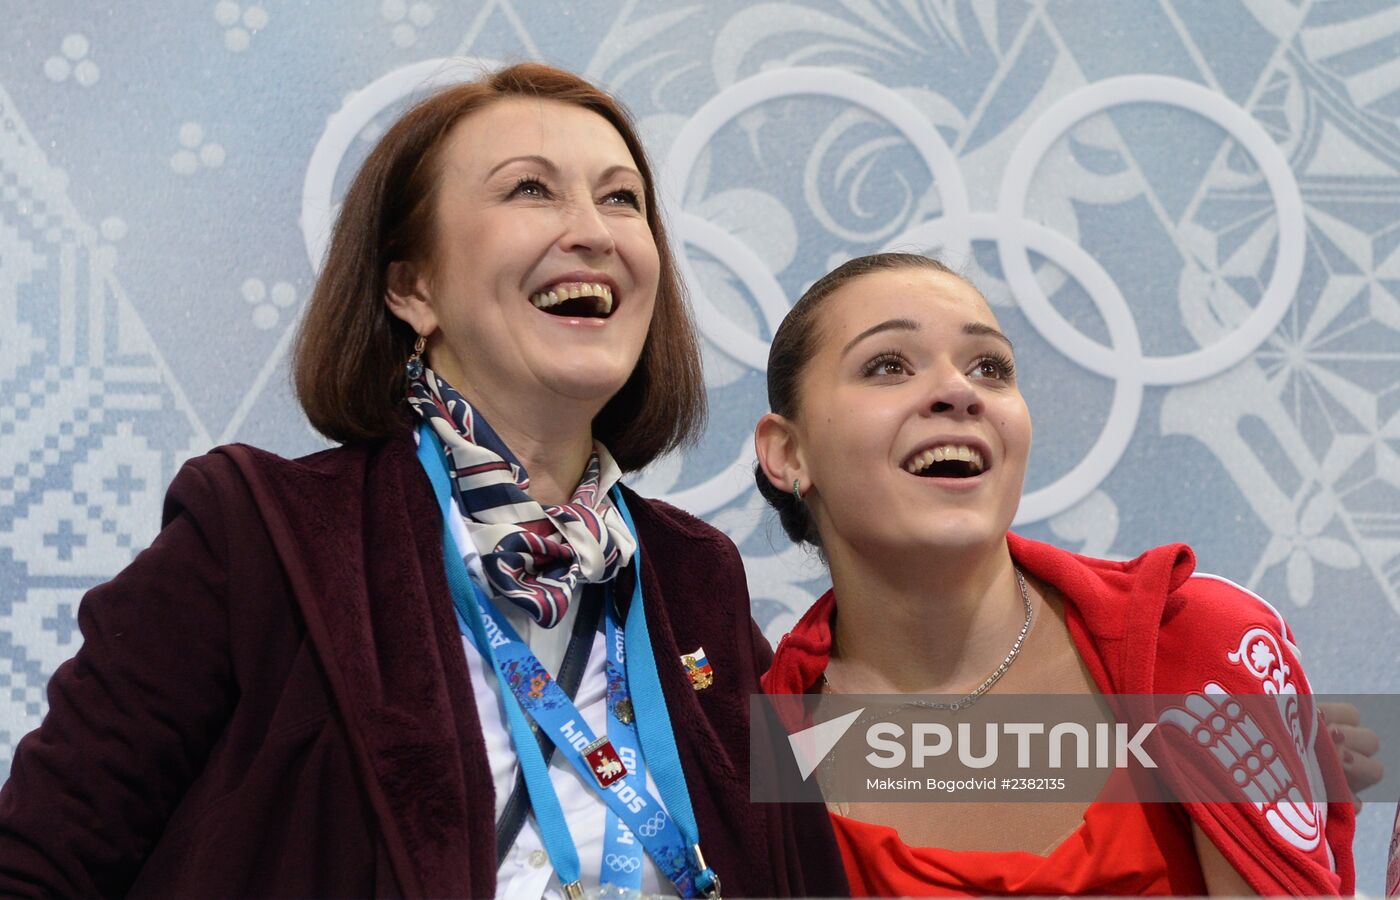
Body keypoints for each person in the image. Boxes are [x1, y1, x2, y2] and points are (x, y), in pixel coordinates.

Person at [0, 63, 847, 898]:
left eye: (623, 198)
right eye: (530, 189)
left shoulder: (693, 573)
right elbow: (39, 862)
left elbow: (870, 796)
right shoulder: (256, 537)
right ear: (412, 287)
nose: (595, 231)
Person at [753, 252, 1357, 895]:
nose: (959, 390)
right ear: (788, 453)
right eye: (888, 366)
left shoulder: (1200, 642)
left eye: (990, 368)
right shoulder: (756, 753)